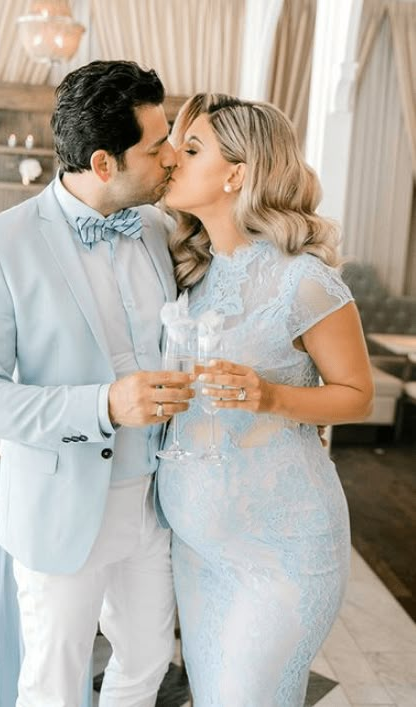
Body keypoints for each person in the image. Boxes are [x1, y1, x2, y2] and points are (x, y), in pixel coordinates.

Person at [0, 60, 195, 707]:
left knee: (146, 663)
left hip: (154, 505)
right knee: (54, 684)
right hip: (62, 510)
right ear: (104, 162)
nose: (172, 155)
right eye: (156, 144)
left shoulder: (155, 229)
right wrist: (103, 403)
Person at [157, 94, 374, 706]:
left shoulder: (304, 281)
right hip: (198, 552)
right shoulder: (186, 271)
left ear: (238, 172)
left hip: (280, 554)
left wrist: (271, 395)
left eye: (191, 148)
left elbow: (358, 397)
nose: (173, 157)